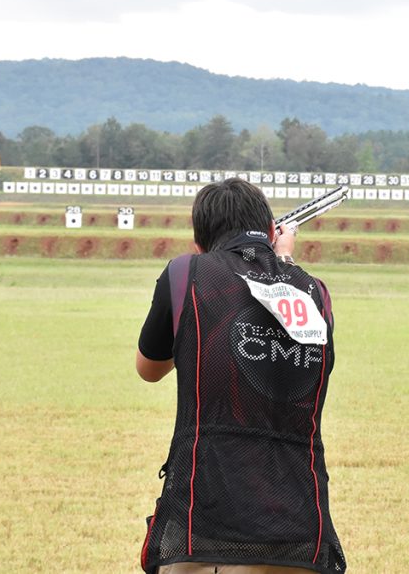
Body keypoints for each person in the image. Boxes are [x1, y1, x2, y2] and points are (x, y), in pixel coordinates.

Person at [136, 178, 346, 574]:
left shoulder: (186, 273)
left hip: (201, 529)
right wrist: (283, 263)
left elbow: (149, 368)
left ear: (199, 241)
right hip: (299, 530)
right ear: (271, 232)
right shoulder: (315, 292)